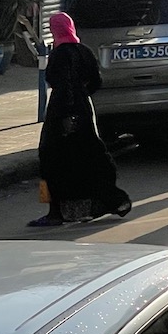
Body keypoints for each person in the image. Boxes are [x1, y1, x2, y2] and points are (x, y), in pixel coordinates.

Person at [29, 13, 130, 227]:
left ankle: (54, 211)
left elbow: (61, 83)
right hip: (84, 111)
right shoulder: (84, 52)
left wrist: (67, 114)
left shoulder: (59, 55)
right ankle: (113, 199)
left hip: (61, 113)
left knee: (50, 160)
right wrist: (82, 97)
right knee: (89, 156)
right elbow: (96, 81)